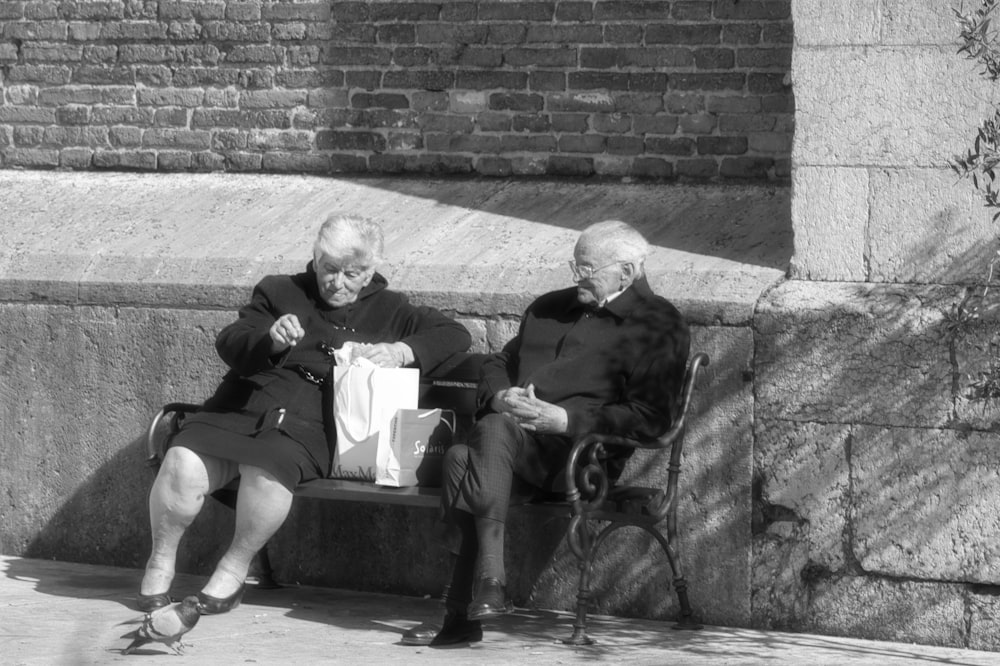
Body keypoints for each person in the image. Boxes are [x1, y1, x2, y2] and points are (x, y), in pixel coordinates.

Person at [139, 214, 471, 614]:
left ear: (370, 273)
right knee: (182, 460)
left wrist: (402, 352)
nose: (337, 282)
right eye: (329, 269)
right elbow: (231, 341)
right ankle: (160, 562)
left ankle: (233, 567)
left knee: (268, 471)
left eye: (352, 274)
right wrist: (270, 338)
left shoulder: (393, 310)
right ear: (314, 258)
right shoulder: (279, 290)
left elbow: (455, 334)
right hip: (242, 406)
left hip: (310, 427)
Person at [402, 220, 690, 646]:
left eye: (586, 268)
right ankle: (487, 588)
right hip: (510, 450)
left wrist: (565, 420)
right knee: (467, 453)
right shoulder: (548, 308)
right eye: (574, 266)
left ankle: (461, 609)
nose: (576, 278)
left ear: (626, 273)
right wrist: (500, 397)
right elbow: (498, 364)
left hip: (580, 460)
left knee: (467, 457)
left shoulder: (659, 325)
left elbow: (650, 418)